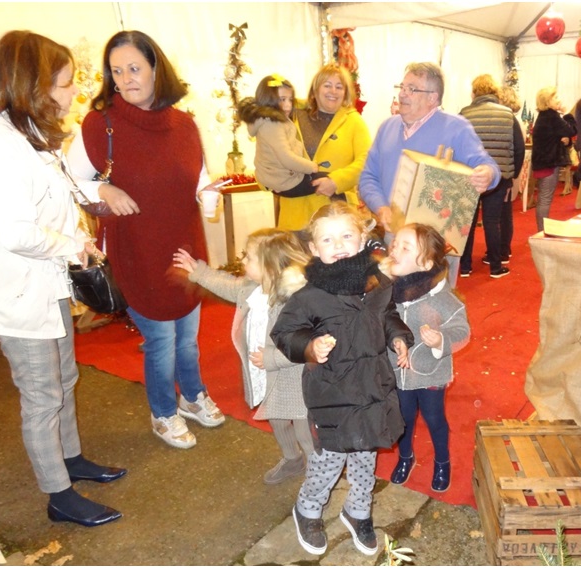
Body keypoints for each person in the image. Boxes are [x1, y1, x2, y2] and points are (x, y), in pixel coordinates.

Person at [0, 30, 124, 527]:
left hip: (45, 283)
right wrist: (73, 244)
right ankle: (57, 494)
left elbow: (59, 200)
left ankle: (70, 459)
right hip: (18, 289)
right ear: (32, 83)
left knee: (64, 378)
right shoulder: (2, 142)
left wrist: (83, 227)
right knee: (41, 394)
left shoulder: (30, 135)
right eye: (65, 84)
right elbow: (15, 232)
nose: (74, 92)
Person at [68, 30, 225, 449]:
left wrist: (207, 194)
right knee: (160, 340)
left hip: (182, 247)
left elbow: (199, 179)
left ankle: (192, 396)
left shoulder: (184, 124)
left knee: (188, 333)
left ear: (156, 69)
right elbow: (68, 178)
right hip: (136, 249)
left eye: (134, 68)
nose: (126, 79)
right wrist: (104, 190)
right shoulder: (100, 124)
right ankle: (163, 412)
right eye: (117, 72)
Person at [270, 201, 414, 557]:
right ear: (314, 249)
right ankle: (308, 508)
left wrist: (398, 336)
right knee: (330, 458)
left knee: (366, 453)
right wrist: (309, 345)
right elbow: (285, 332)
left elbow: (387, 313)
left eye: (346, 236)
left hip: (372, 385)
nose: (338, 246)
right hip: (332, 390)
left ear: (363, 238)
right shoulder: (309, 295)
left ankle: (358, 509)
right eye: (328, 240)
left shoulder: (377, 282)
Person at [173, 230, 312, 484]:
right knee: (278, 420)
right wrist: (198, 271)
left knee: (305, 429)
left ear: (269, 267)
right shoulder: (253, 289)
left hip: (295, 377)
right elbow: (227, 284)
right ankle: (292, 460)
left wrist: (271, 359)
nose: (243, 262)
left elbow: (303, 345)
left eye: (249, 258)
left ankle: (317, 472)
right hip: (269, 375)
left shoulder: (295, 302)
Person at [358, 62, 500, 285]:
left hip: (436, 245)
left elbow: (486, 164)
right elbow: (368, 176)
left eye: (412, 89)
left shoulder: (457, 128)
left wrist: (488, 174)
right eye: (402, 87)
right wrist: (381, 207)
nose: (403, 94)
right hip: (393, 238)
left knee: (434, 310)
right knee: (391, 303)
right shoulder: (387, 127)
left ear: (432, 98)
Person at [385, 223, 470, 492]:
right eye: (395, 243)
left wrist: (441, 340)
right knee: (404, 418)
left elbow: (462, 331)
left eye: (406, 247)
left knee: (434, 419)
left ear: (425, 264)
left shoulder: (442, 298)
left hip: (432, 373)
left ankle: (442, 461)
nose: (395, 249)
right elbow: (381, 323)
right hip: (398, 374)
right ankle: (405, 457)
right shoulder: (387, 292)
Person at [279, 63, 372, 231]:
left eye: (339, 87)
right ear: (315, 90)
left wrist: (336, 181)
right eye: (327, 85)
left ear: (345, 93)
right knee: (297, 257)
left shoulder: (354, 121)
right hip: (295, 210)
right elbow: (271, 147)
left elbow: (366, 161)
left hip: (337, 212)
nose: (333, 91)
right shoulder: (293, 115)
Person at [458, 74, 521, 279]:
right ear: (495, 92)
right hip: (499, 175)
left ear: (474, 92)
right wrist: (512, 174)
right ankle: (495, 265)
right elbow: (518, 148)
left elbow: (456, 146)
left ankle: (465, 266)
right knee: (492, 221)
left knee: (467, 221)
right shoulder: (507, 115)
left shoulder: (464, 114)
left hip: (470, 176)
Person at [237, 75, 321, 198]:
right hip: (286, 182)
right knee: (328, 182)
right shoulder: (272, 124)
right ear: (268, 100)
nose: (288, 106)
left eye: (290, 100)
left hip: (279, 179)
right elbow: (286, 158)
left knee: (327, 182)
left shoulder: (266, 120)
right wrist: (312, 167)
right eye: (282, 99)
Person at [529, 86, 577, 232]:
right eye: (555, 98)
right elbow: (571, 129)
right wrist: (567, 113)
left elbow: (561, 135)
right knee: (545, 199)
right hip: (548, 163)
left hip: (542, 162)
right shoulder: (552, 116)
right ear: (547, 101)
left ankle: (541, 229)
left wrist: (565, 139)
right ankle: (542, 231)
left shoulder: (544, 117)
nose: (559, 100)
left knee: (544, 198)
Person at [496, 85, 525, 263]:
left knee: (505, 214)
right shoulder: (512, 119)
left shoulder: (510, 120)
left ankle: (504, 250)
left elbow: (518, 150)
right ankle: (504, 249)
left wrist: (512, 175)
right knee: (504, 213)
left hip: (508, 172)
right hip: (510, 172)